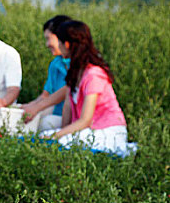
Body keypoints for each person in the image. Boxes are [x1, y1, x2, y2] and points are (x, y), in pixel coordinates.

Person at [41, 20, 129, 154]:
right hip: (87, 130)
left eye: (59, 42)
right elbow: (67, 107)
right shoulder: (75, 71)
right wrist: (61, 132)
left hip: (107, 130)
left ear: (67, 44)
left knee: (62, 142)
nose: (57, 45)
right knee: (45, 138)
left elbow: (86, 120)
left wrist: (59, 135)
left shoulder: (93, 74)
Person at [21, 15, 72, 131]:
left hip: (74, 116)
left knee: (45, 123)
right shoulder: (55, 64)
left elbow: (66, 90)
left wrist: (36, 108)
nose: (47, 44)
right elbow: (45, 95)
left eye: (49, 38)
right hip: (58, 112)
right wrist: (28, 106)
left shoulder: (78, 63)